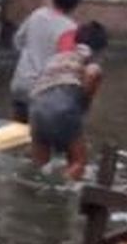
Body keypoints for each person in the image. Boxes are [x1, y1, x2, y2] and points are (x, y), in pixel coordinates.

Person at [28, 21, 108, 182]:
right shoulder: (91, 61)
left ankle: (35, 189)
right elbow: (92, 74)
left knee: (40, 165)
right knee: (79, 161)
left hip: (36, 108)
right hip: (63, 109)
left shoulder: (57, 57)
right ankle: (61, 189)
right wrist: (83, 104)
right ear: (101, 48)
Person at [10, 0, 86, 122]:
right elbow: (66, 67)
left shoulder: (37, 15)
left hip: (20, 84)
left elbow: (17, 41)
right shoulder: (70, 29)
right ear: (78, 1)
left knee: (16, 129)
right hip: (42, 92)